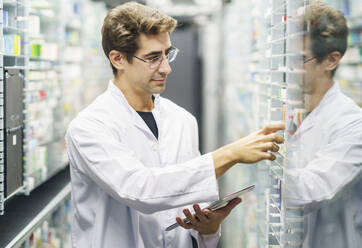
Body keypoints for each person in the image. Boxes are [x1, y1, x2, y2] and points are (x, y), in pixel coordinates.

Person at [65, 2, 284, 248]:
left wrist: (207, 230)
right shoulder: (89, 127)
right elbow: (142, 190)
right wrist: (230, 153)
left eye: (167, 54)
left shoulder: (182, 121)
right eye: (153, 58)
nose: (167, 68)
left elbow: (182, 200)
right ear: (118, 59)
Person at [285, 1, 362, 247]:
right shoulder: (290, 109)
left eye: (299, 60)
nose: (289, 69)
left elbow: (312, 189)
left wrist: (253, 163)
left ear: (331, 60)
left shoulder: (352, 124)